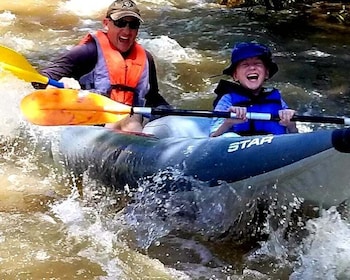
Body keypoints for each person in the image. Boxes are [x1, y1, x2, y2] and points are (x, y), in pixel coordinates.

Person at [32, 0, 171, 132]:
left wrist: (169, 113)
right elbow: (40, 80)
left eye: (133, 25)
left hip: (130, 124)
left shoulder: (146, 59)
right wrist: (62, 83)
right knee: (127, 120)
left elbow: (152, 97)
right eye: (120, 23)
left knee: (131, 118)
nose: (127, 31)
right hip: (91, 124)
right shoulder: (88, 51)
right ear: (106, 23)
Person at [210, 42, 298, 137]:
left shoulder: (276, 99)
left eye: (257, 63)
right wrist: (228, 123)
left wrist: (291, 125)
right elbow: (213, 138)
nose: (252, 68)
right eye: (245, 64)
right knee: (229, 136)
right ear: (235, 76)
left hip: (273, 146)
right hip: (238, 147)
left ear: (266, 73)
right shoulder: (227, 100)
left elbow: (294, 136)